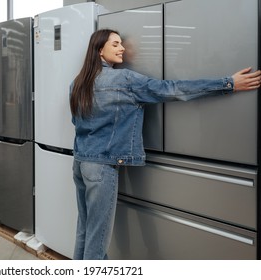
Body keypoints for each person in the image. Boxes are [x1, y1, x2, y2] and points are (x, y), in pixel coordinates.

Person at [69, 29, 261, 260]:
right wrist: (228, 83)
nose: (122, 48)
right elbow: (173, 89)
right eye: (116, 44)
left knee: (85, 230)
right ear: (100, 49)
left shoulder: (77, 82)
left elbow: (77, 121)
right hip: (101, 169)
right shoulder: (124, 79)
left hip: (80, 163)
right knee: (97, 242)